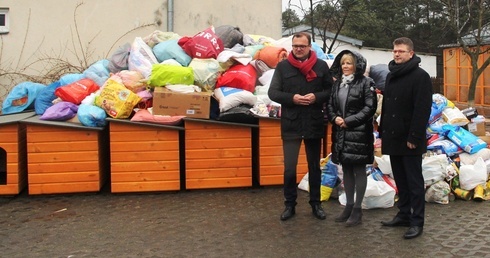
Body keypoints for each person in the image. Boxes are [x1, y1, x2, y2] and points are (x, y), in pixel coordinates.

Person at [268, 32, 333, 221]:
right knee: (289, 168)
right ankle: (290, 205)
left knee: (314, 167)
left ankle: (316, 204)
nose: (298, 49)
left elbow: (329, 90)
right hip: (291, 123)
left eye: (302, 46)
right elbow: (273, 92)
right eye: (295, 45)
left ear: (309, 47)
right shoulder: (283, 66)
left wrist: (316, 97)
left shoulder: (321, 66)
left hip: (313, 122)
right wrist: (292, 98)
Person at [379, 37, 433, 239]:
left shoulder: (421, 76)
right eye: (394, 51)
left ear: (411, 53)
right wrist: (383, 129)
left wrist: (415, 136)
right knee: (400, 180)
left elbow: (422, 109)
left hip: (410, 138)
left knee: (414, 182)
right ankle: (403, 215)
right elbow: (387, 106)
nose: (397, 54)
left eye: (401, 51)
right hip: (393, 136)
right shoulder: (392, 75)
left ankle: (417, 221)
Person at [326, 50, 377, 226]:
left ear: (357, 65)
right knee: (346, 169)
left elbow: (370, 107)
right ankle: (348, 206)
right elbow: (330, 105)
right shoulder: (337, 84)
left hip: (359, 133)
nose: (345, 67)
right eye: (343, 64)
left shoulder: (366, 82)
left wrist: (349, 121)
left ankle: (357, 210)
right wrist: (335, 119)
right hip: (341, 132)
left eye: (349, 63)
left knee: (359, 169)